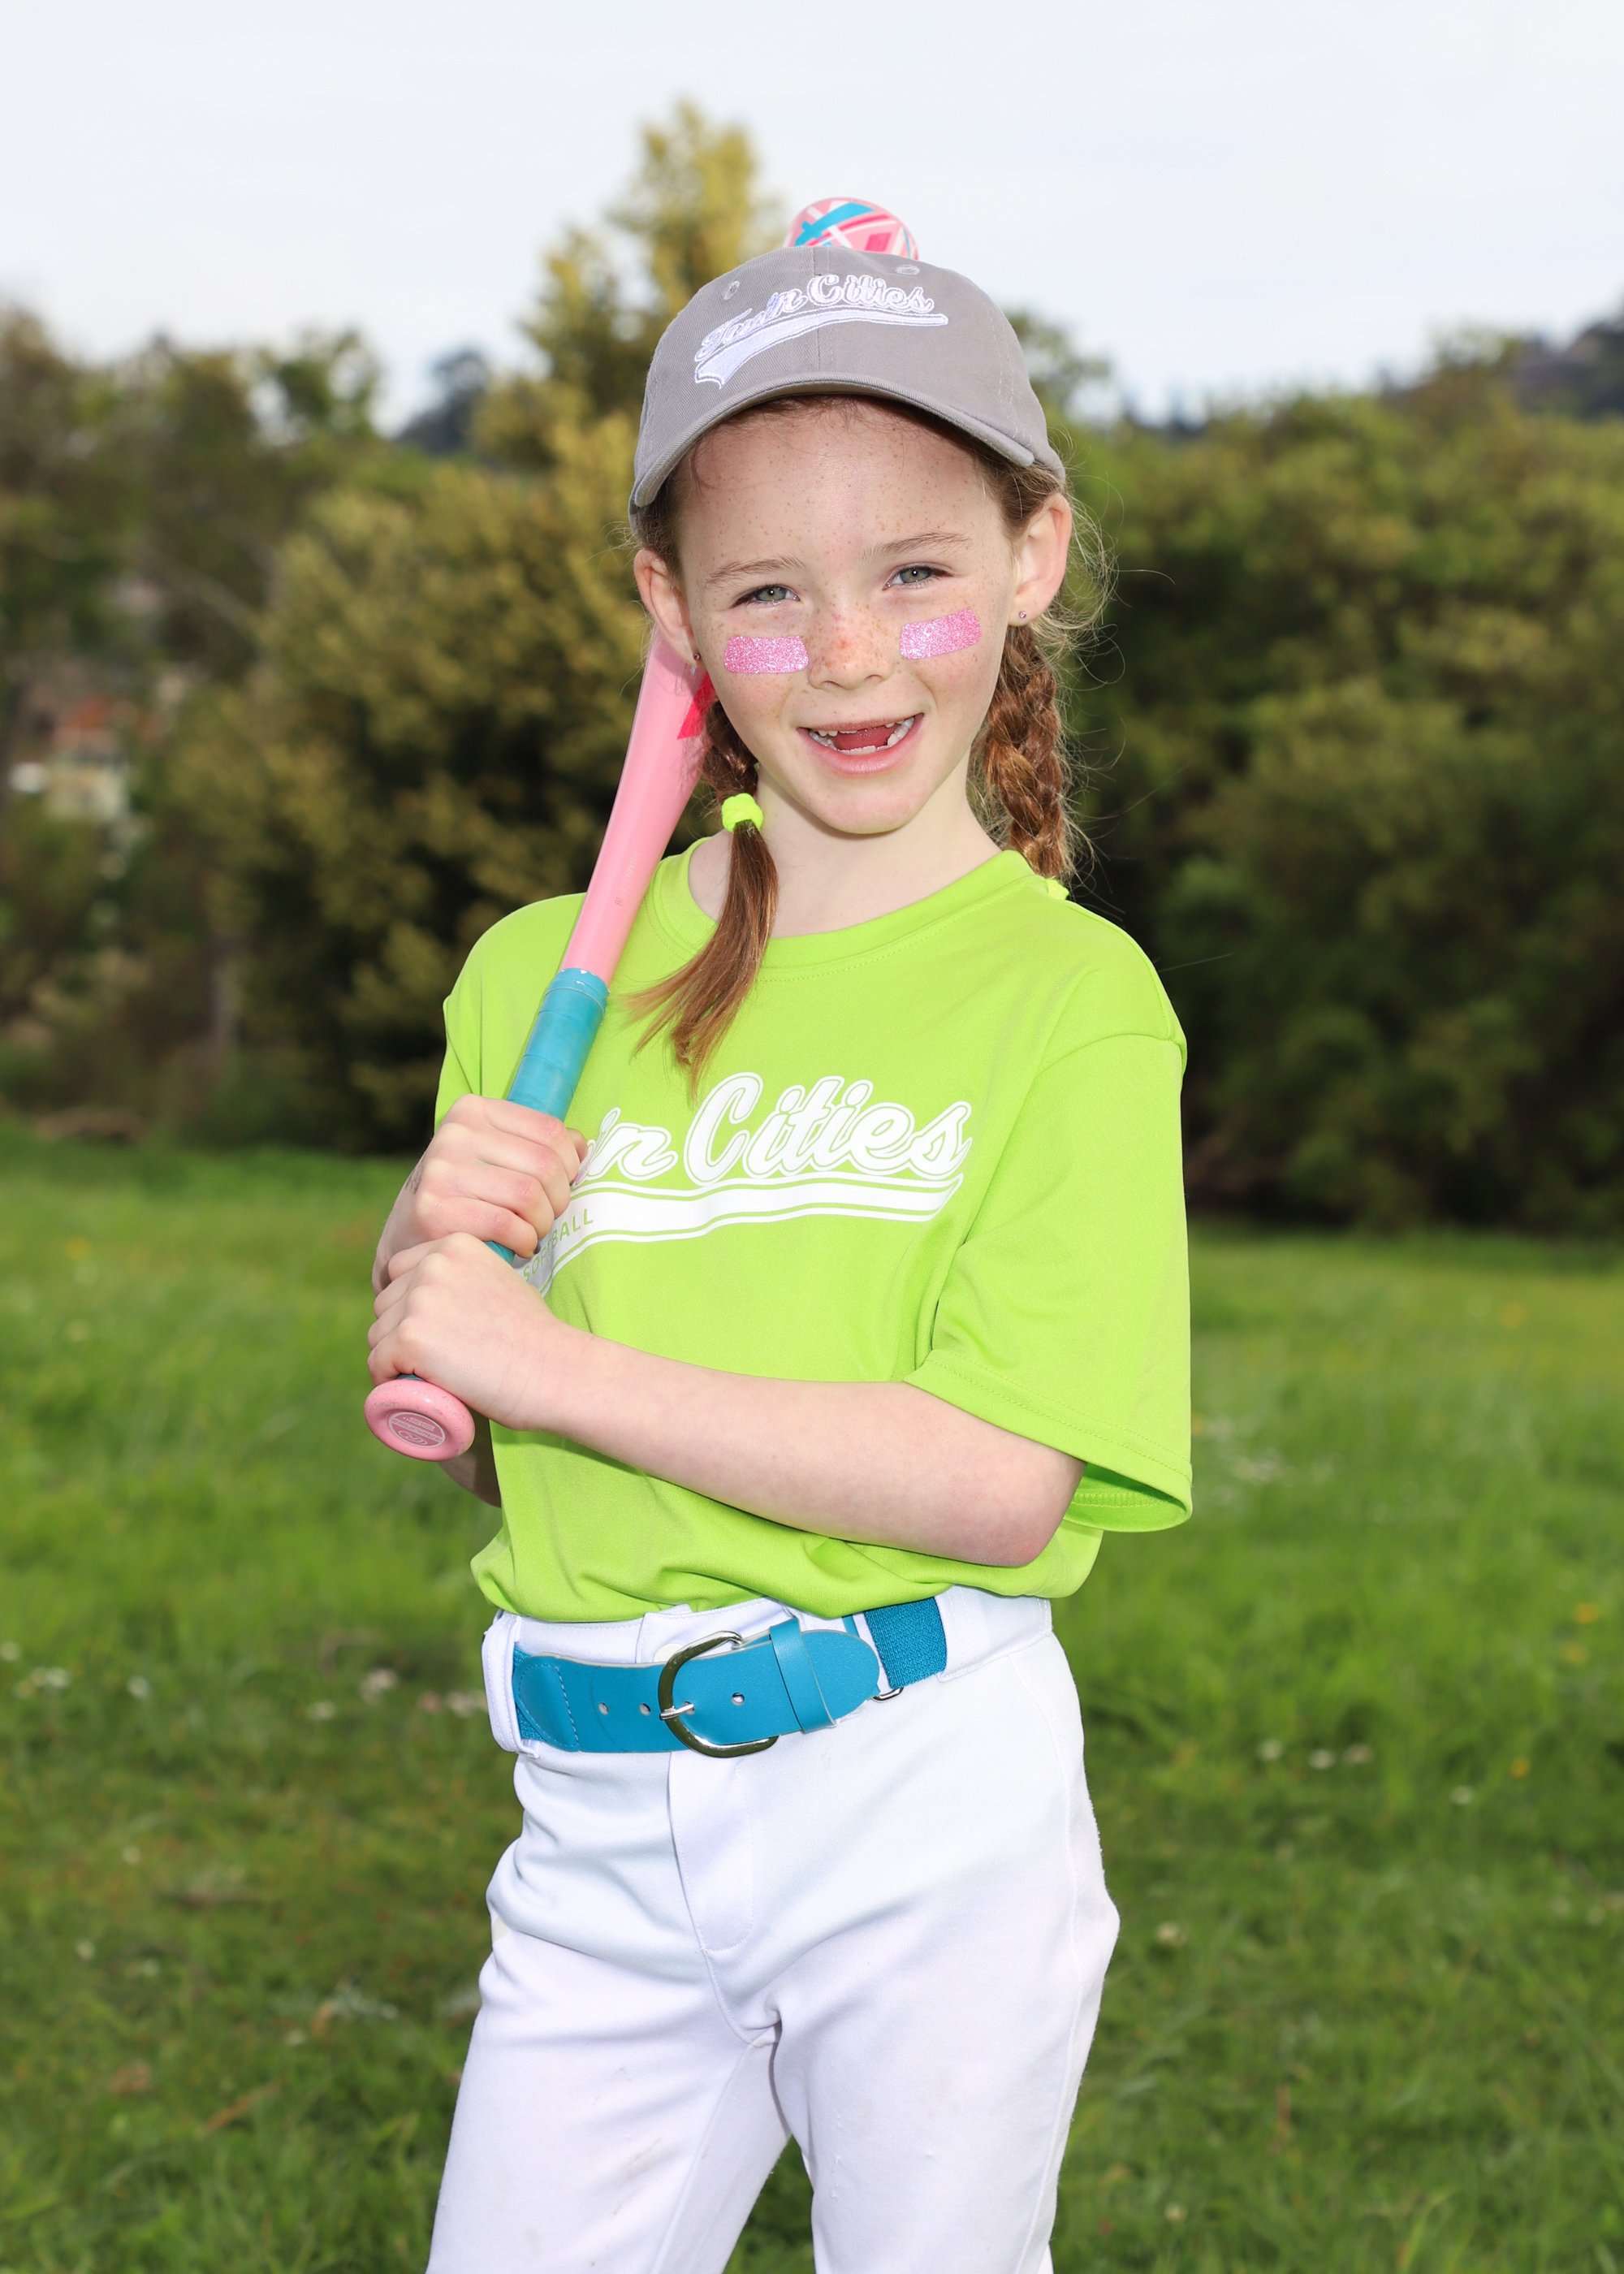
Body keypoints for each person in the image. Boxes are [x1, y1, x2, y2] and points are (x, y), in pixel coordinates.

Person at [368, 208, 1191, 2274]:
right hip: (591, 1820)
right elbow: (505, 1446)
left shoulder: (1068, 1001)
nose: (845, 650)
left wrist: (548, 1362)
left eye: (913, 572)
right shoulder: (539, 980)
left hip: (916, 1804)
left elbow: (999, 1481)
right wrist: (427, 1268)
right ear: (672, 608)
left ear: (1032, 553)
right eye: (767, 592)